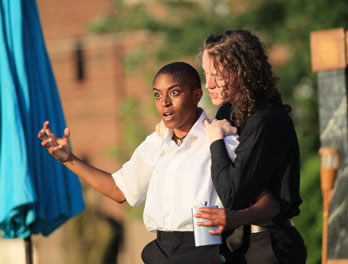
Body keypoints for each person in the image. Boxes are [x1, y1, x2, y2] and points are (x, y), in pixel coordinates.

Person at [38, 62, 241, 263]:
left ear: (196, 95)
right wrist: (68, 159)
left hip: (204, 253)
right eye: (157, 95)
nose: (165, 102)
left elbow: (257, 200)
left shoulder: (221, 140)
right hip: (160, 253)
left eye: (175, 92)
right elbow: (119, 191)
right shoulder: (155, 143)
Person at [195, 29, 307, 263]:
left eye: (216, 75)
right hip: (236, 245)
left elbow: (232, 195)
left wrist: (216, 141)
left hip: (269, 246)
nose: (209, 84)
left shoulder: (265, 119)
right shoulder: (228, 112)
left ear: (241, 72)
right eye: (206, 74)